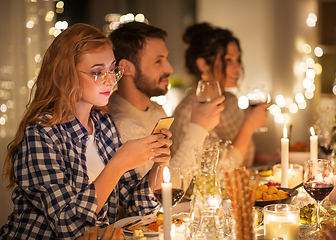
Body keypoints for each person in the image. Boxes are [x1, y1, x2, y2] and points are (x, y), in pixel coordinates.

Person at [0, 23, 172, 240]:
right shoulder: (41, 134)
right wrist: (117, 165)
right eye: (98, 72)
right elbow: (69, 224)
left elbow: (139, 207)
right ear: (66, 75)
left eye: (112, 69)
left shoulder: (104, 125)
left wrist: (159, 163)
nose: (110, 80)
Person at [107, 22, 225, 177]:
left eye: (166, 59)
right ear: (126, 68)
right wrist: (199, 127)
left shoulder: (156, 110)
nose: (169, 68)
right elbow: (160, 192)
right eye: (158, 61)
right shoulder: (123, 126)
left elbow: (173, 167)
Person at [171, 22, 279, 168]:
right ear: (203, 65)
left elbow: (241, 152)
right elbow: (219, 171)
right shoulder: (189, 113)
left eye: (238, 59)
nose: (238, 67)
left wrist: (274, 158)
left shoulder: (231, 101)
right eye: (229, 59)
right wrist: (249, 125)